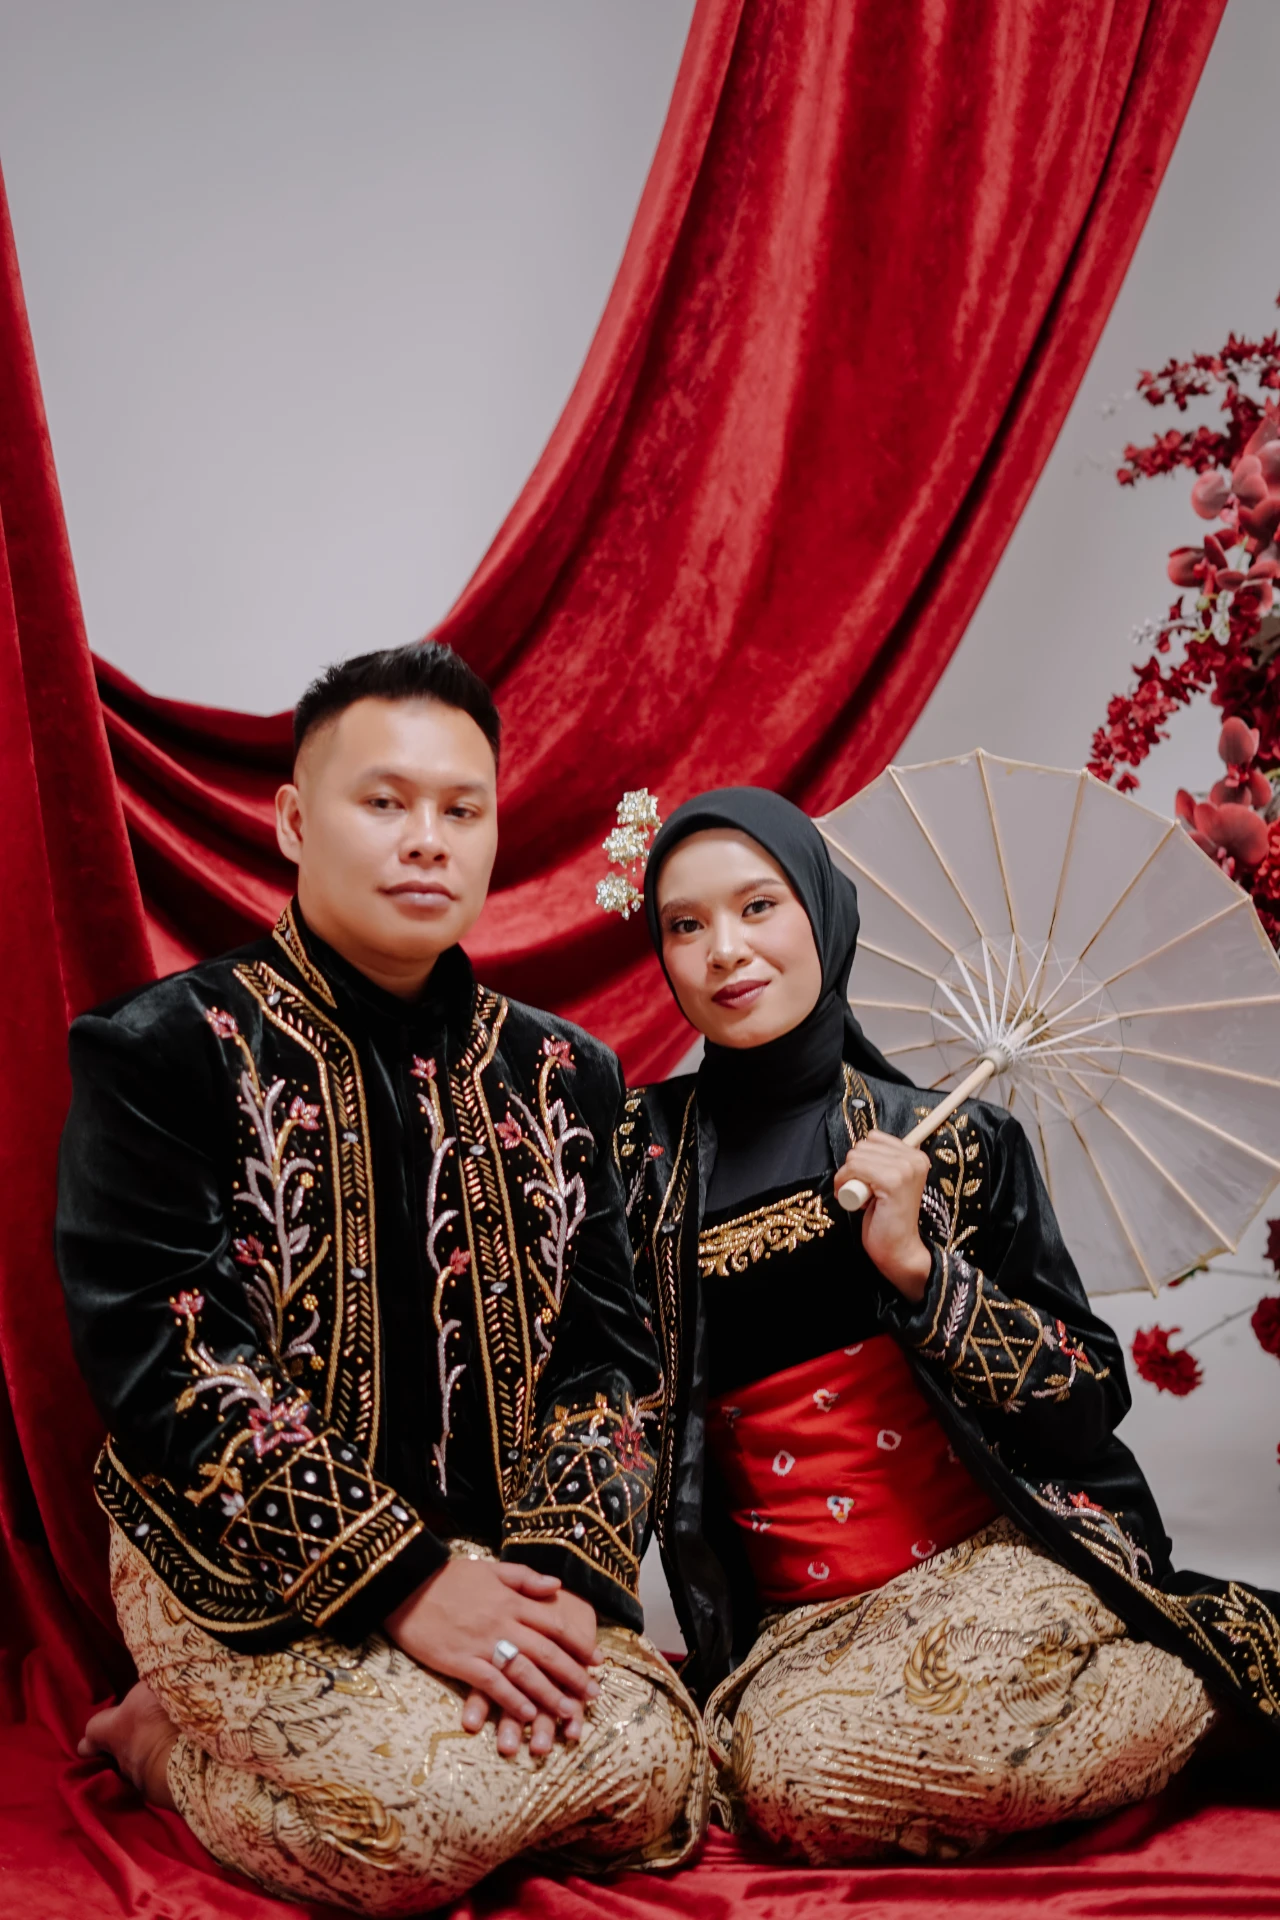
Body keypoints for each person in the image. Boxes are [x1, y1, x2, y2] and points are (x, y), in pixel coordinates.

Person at [56, 644, 706, 1914]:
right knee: (408, 1832)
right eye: (385, 802)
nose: (426, 840)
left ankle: (409, 1736)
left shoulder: (565, 1075)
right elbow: (170, 1359)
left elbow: (613, 1364)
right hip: (238, 1557)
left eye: (462, 810)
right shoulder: (165, 1052)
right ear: (295, 822)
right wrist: (405, 1582)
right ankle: (158, 1745)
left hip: (503, 1558)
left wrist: (559, 1583)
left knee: (656, 1780)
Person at [619, 785, 1280, 1865]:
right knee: (784, 1786)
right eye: (684, 925)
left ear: (823, 916)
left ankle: (1204, 1688)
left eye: (758, 907)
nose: (724, 950)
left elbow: (1087, 1400)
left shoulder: (960, 1142)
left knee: (916, 1734)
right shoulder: (634, 1160)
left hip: (993, 1566)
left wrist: (923, 1275)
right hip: (803, 1620)